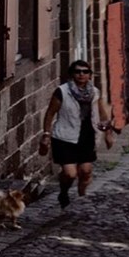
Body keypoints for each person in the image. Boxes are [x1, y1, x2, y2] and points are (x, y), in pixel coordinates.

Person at [38, 61, 114, 207]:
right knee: (70, 174)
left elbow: (103, 115)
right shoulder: (62, 91)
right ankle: (64, 191)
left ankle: (81, 197)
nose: (81, 74)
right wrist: (46, 135)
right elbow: (50, 113)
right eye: (78, 71)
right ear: (72, 74)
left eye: (85, 72)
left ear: (90, 75)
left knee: (86, 172)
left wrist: (108, 133)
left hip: (86, 136)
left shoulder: (94, 92)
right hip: (65, 137)